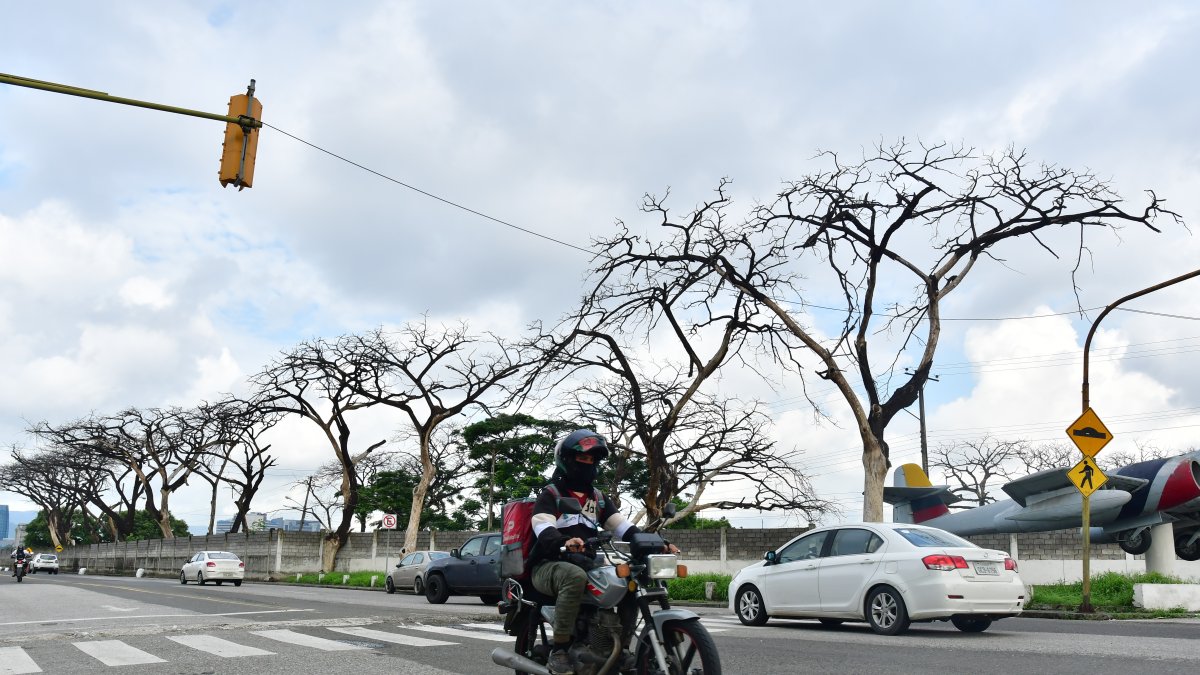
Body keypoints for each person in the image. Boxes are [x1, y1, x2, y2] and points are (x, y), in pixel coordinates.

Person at [527, 429, 678, 675]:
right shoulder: (552, 493)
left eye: (592, 460)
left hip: (585, 561)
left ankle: (622, 649)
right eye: (582, 459)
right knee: (573, 576)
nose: (588, 464)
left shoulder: (597, 498)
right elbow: (542, 527)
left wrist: (655, 541)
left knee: (630, 577)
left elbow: (622, 526)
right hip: (548, 564)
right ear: (566, 460)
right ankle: (560, 650)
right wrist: (565, 540)